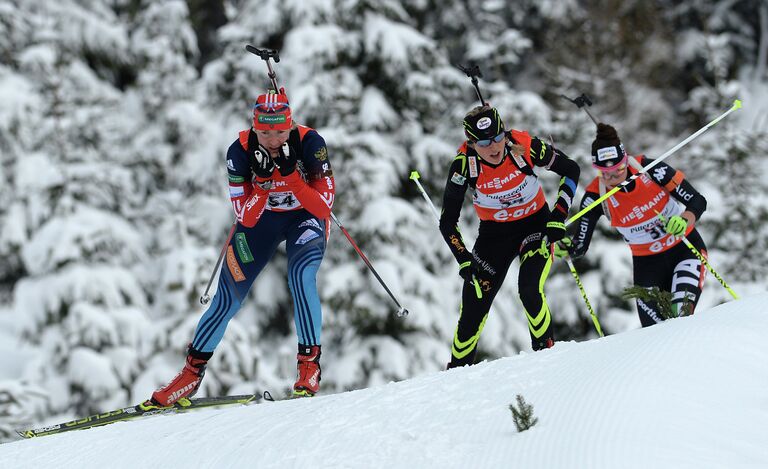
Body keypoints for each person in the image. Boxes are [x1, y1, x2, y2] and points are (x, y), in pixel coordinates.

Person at [150, 89, 335, 404]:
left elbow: (323, 206)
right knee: (227, 299)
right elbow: (244, 217)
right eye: (265, 132)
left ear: (290, 126)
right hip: (259, 224)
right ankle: (190, 375)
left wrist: (291, 176)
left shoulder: (310, 144)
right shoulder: (240, 150)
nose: (273, 140)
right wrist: (262, 186)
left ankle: (309, 366)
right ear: (254, 128)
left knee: (301, 276)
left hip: (305, 219)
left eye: (280, 132)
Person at [439, 105, 581, 367]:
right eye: (483, 143)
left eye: (497, 138)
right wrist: (464, 258)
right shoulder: (463, 165)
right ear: (471, 143)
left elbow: (571, 170)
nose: (493, 148)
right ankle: (455, 377)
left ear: (504, 133)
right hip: (494, 237)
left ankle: (547, 359)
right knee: (472, 311)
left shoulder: (525, 146)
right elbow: (447, 222)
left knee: (529, 290)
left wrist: (558, 216)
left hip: (535, 226)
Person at [557, 123, 708, 325]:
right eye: (605, 173)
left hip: (684, 248)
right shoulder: (596, 196)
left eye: (618, 170)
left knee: (681, 313)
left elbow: (697, 201)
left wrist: (684, 219)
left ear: (625, 160)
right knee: (653, 332)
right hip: (647, 266)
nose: (613, 178)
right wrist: (567, 248)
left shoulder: (650, 169)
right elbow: (580, 245)